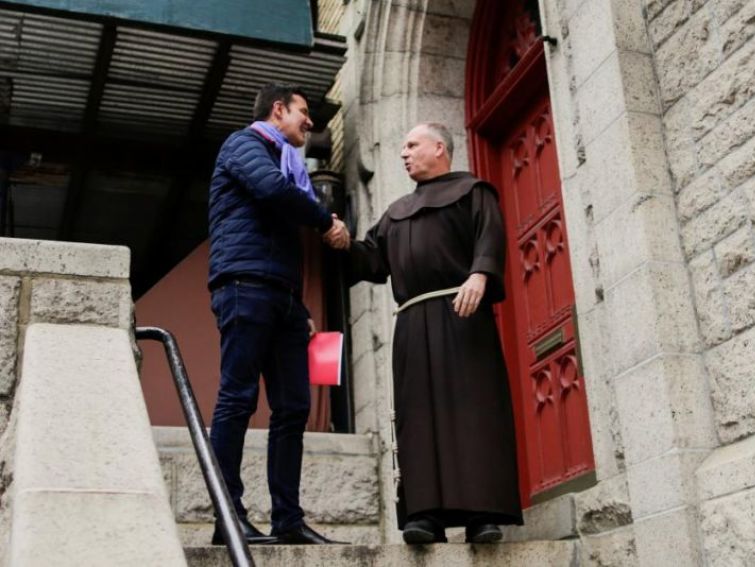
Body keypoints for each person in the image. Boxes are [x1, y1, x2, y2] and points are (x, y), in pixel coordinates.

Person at [343, 123, 523, 544]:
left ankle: (483, 515)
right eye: (402, 146)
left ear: (439, 148)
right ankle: (425, 516)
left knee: (473, 411)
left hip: (463, 314)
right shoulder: (396, 211)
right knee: (417, 416)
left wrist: (480, 275)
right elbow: (371, 262)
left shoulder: (474, 191)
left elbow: (490, 236)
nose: (403, 153)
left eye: (411, 145)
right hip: (412, 324)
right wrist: (340, 242)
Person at [207, 83, 349, 545]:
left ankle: (288, 521)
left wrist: (300, 303)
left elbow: (281, 228)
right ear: (278, 110)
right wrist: (325, 219)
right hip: (244, 286)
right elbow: (271, 191)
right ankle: (227, 518)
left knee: (294, 408)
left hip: (283, 296)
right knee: (238, 399)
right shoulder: (243, 144)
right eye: (303, 112)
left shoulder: (287, 164)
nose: (309, 122)